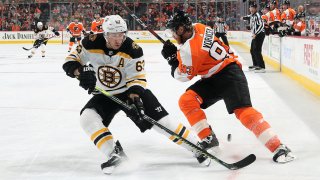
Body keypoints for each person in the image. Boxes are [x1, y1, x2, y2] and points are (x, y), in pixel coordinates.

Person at [62, 15, 210, 175]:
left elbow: (137, 79)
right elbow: (70, 60)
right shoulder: (89, 42)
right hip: (105, 94)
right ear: (105, 34)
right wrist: (80, 71)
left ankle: (196, 146)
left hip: (129, 92)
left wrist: (135, 101)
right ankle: (114, 153)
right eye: (114, 35)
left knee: (162, 122)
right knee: (87, 118)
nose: (118, 39)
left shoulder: (133, 49)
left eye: (121, 34)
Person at [161, 11, 295, 164]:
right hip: (214, 76)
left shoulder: (189, 52)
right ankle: (209, 139)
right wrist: (178, 54)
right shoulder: (199, 27)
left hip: (229, 75)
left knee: (243, 112)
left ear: (180, 30)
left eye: (173, 31)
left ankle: (278, 147)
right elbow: (193, 52)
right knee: (187, 100)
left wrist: (172, 60)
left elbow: (183, 76)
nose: (172, 35)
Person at [243, 1, 266, 73]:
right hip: (255, 35)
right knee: (252, 50)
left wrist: (255, 33)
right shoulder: (252, 15)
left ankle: (261, 66)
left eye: (253, 8)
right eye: (251, 8)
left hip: (259, 34)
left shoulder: (258, 15)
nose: (251, 9)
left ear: (256, 9)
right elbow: (248, 17)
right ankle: (256, 64)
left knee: (257, 50)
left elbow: (262, 25)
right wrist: (243, 18)